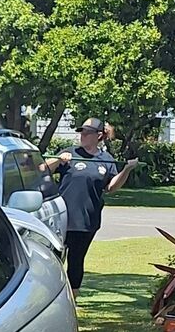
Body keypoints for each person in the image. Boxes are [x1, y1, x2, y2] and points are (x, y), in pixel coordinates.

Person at [41, 119, 137, 291]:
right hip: (62, 218)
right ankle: (51, 297)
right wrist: (58, 161)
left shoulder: (106, 160)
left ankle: (72, 300)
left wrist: (127, 170)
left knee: (76, 261)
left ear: (98, 136)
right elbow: (42, 169)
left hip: (86, 221)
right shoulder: (70, 152)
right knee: (53, 260)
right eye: (81, 132)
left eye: (87, 133)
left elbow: (111, 187)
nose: (82, 136)